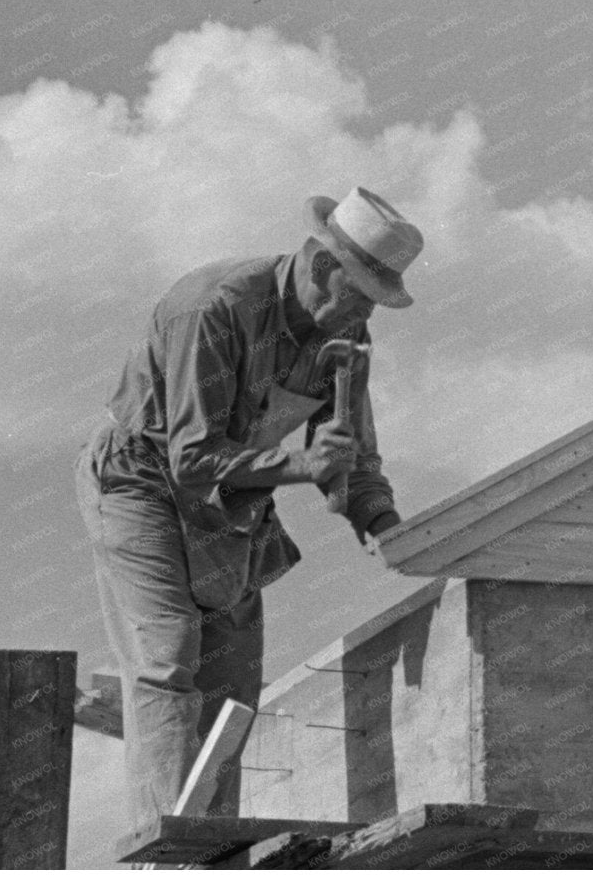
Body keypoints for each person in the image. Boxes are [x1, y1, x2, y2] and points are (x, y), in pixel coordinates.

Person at [73, 186, 424, 834]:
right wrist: (302, 468)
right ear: (321, 267)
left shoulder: (345, 339)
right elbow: (193, 456)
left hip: (232, 508)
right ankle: (165, 845)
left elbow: (351, 459)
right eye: (359, 297)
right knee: (169, 651)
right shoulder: (214, 307)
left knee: (231, 685)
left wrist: (389, 528)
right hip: (141, 483)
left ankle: (211, 845)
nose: (362, 319)